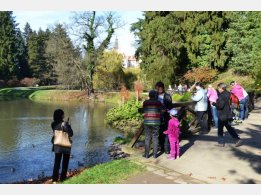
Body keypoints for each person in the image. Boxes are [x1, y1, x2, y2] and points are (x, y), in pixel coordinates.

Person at [212, 83, 242, 147]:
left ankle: (221, 142)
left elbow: (220, 106)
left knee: (221, 129)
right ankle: (237, 139)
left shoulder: (222, 96)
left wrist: (214, 103)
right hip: (229, 113)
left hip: (223, 115)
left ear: (221, 88)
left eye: (218, 88)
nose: (218, 89)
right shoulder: (229, 93)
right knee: (228, 127)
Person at [51, 109, 73, 183]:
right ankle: (63, 179)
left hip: (57, 145)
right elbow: (71, 134)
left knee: (56, 163)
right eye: (63, 114)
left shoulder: (53, 124)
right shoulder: (64, 124)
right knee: (65, 162)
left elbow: (56, 132)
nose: (64, 115)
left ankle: (54, 179)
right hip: (65, 145)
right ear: (61, 115)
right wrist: (69, 125)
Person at [142, 90, 162, 158]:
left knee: (147, 138)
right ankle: (154, 155)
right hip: (156, 122)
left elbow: (143, 110)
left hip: (147, 122)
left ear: (149, 95)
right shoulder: (158, 102)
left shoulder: (145, 102)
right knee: (155, 138)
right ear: (155, 95)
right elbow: (162, 110)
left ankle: (146, 155)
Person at [155, 81, 172, 154]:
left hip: (166, 117)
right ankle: (161, 147)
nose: (158, 90)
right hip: (157, 117)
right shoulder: (155, 96)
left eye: (160, 88)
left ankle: (166, 149)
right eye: (157, 88)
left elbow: (170, 106)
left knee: (166, 133)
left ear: (162, 88)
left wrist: (165, 110)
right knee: (159, 132)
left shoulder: (167, 96)